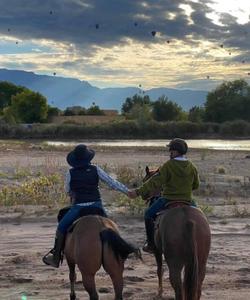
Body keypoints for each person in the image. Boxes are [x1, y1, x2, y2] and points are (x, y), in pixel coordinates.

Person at [43, 144, 129, 268]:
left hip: (78, 207)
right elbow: (112, 182)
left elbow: (67, 190)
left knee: (61, 227)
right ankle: (119, 252)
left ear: (75, 160)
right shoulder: (95, 169)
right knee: (112, 227)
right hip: (97, 205)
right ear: (88, 158)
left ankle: (56, 256)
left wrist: (74, 193)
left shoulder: (70, 172)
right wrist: (127, 191)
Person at [128, 138, 200, 253]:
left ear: (175, 151)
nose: (169, 152)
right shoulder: (192, 166)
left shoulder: (168, 165)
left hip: (168, 199)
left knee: (148, 214)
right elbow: (196, 185)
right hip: (188, 200)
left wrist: (137, 192)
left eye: (171, 150)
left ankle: (151, 244)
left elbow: (154, 182)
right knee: (200, 217)